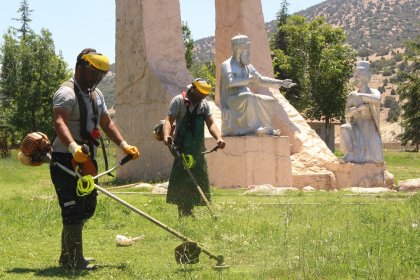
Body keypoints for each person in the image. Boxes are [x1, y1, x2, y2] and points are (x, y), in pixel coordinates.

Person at [50, 48, 140, 270]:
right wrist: (72, 147)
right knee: (72, 208)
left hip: (87, 161)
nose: (96, 79)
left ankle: (68, 255)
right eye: (93, 74)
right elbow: (59, 122)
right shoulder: (66, 92)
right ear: (80, 68)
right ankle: (73, 259)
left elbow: (107, 123)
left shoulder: (96, 95)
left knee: (87, 207)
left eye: (100, 75)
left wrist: (124, 145)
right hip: (64, 159)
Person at [163, 78, 225, 218]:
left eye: (204, 95)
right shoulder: (178, 101)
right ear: (193, 89)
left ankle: (189, 211)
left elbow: (211, 124)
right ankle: (183, 212)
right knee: (183, 180)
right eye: (200, 94)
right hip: (181, 148)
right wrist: (167, 135)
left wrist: (219, 138)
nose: (202, 97)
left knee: (197, 179)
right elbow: (169, 120)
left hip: (197, 149)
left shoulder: (203, 105)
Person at [220, 34, 295, 136]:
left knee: (269, 100)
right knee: (249, 97)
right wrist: (248, 80)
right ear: (238, 51)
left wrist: (281, 82)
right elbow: (231, 82)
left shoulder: (248, 66)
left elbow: (260, 80)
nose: (249, 55)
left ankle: (268, 129)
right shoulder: (227, 65)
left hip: (244, 96)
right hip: (231, 99)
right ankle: (253, 128)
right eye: (246, 52)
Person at [340, 61, 384, 163]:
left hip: (370, 127)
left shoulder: (373, 92)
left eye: (359, 76)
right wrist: (358, 108)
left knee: (377, 157)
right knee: (344, 128)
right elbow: (346, 114)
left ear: (366, 77)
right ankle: (349, 154)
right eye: (355, 76)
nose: (356, 79)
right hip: (356, 126)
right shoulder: (352, 95)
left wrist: (360, 96)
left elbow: (377, 99)